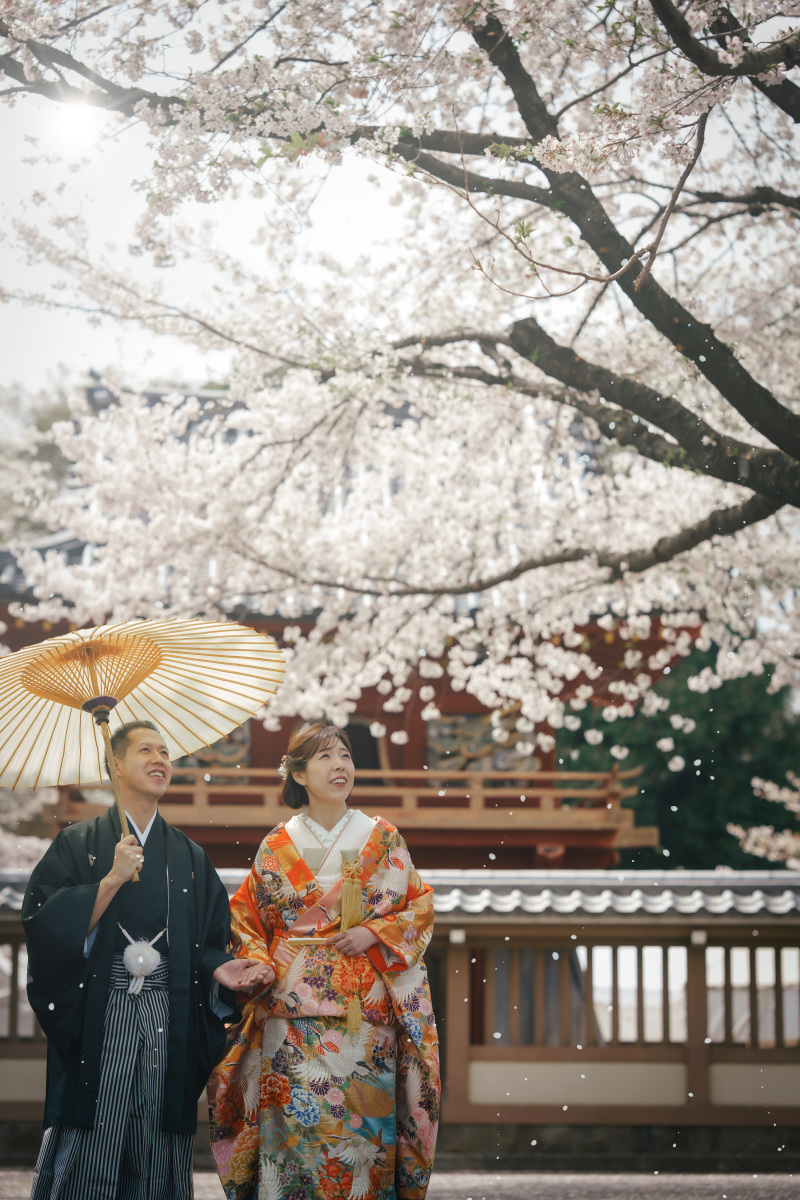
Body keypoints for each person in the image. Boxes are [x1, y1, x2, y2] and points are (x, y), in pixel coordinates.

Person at [22, 719, 273, 1200]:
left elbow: (205, 943)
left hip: (168, 1011)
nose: (161, 759)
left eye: (165, 752)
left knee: (156, 1135)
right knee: (96, 1124)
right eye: (145, 751)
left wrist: (219, 967)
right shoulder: (76, 845)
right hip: (102, 1010)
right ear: (114, 764)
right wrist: (110, 880)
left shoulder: (190, 857)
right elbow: (47, 929)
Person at [208, 722, 440, 1200]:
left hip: (365, 1022)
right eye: (325, 757)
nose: (341, 766)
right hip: (290, 1020)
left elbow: (419, 908)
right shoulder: (276, 845)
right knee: (293, 1146)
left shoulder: (384, 838)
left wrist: (373, 932)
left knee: (363, 1144)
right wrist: (261, 963)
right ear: (297, 773)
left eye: (346, 756)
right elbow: (245, 920)